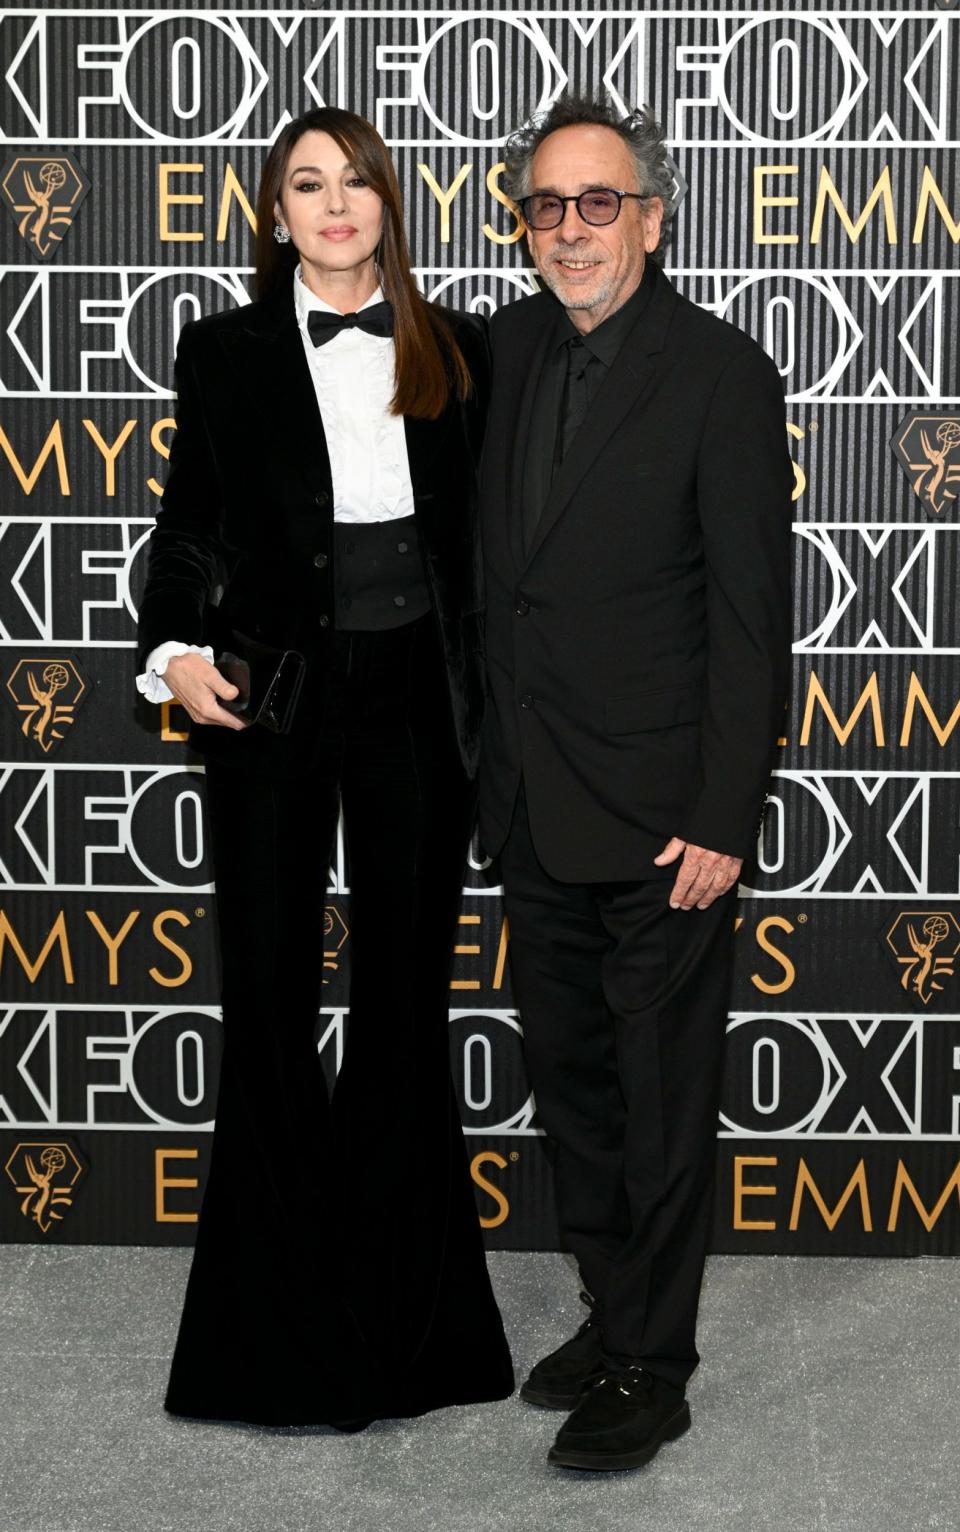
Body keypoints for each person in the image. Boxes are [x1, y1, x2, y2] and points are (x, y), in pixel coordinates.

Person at [135, 105, 513, 1429]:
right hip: (271, 696)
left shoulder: (458, 346)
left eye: (356, 180)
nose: (336, 202)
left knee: (408, 1007)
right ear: (276, 213)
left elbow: (500, 543)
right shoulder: (224, 350)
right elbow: (187, 530)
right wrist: (174, 648)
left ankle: (416, 1338)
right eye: (308, 183)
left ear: (388, 204)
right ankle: (272, 1345)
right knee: (276, 1010)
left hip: (419, 702)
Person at [479, 94, 793, 1471]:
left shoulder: (724, 373)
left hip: (671, 823)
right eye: (545, 206)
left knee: (663, 1110)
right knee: (579, 1096)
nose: (569, 230)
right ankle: (612, 1317)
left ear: (653, 220)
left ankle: (654, 1367)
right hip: (536, 807)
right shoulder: (500, 352)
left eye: (598, 203)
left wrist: (725, 814)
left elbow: (749, 617)